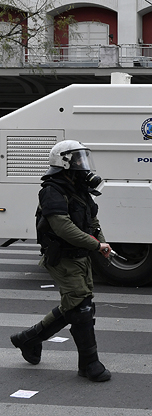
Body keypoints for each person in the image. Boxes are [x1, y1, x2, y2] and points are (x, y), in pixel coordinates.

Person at [10, 140, 113, 381]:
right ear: (63, 162)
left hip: (80, 256)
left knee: (76, 304)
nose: (82, 164)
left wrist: (101, 243)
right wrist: (96, 245)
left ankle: (28, 339)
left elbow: (92, 222)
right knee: (81, 307)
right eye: (77, 159)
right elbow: (63, 227)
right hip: (63, 256)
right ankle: (89, 365)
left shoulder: (78, 188)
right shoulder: (52, 191)